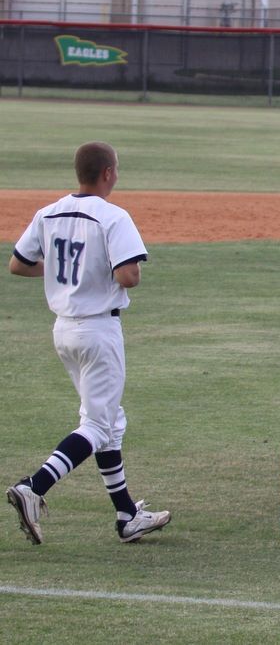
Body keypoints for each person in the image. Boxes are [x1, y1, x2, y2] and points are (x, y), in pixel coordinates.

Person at [6, 141, 170, 545]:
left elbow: (18, 264)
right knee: (97, 424)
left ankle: (127, 515)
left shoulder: (48, 212)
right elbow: (129, 276)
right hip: (98, 331)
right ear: (108, 173)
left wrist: (64, 274)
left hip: (63, 330)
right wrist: (97, 273)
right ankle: (33, 487)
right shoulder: (113, 216)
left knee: (109, 421)